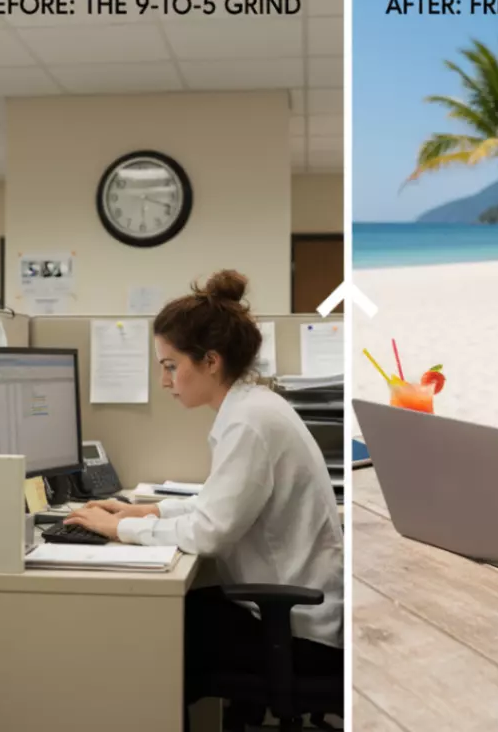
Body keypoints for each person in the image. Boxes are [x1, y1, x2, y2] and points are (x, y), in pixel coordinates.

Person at [65, 269, 343, 714]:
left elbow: (210, 533)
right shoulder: (252, 407)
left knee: (148, 631)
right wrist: (149, 513)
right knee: (166, 616)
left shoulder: (249, 422)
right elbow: (219, 502)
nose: (165, 381)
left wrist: (120, 530)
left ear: (211, 361)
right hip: (289, 612)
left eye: (170, 366)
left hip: (298, 633)